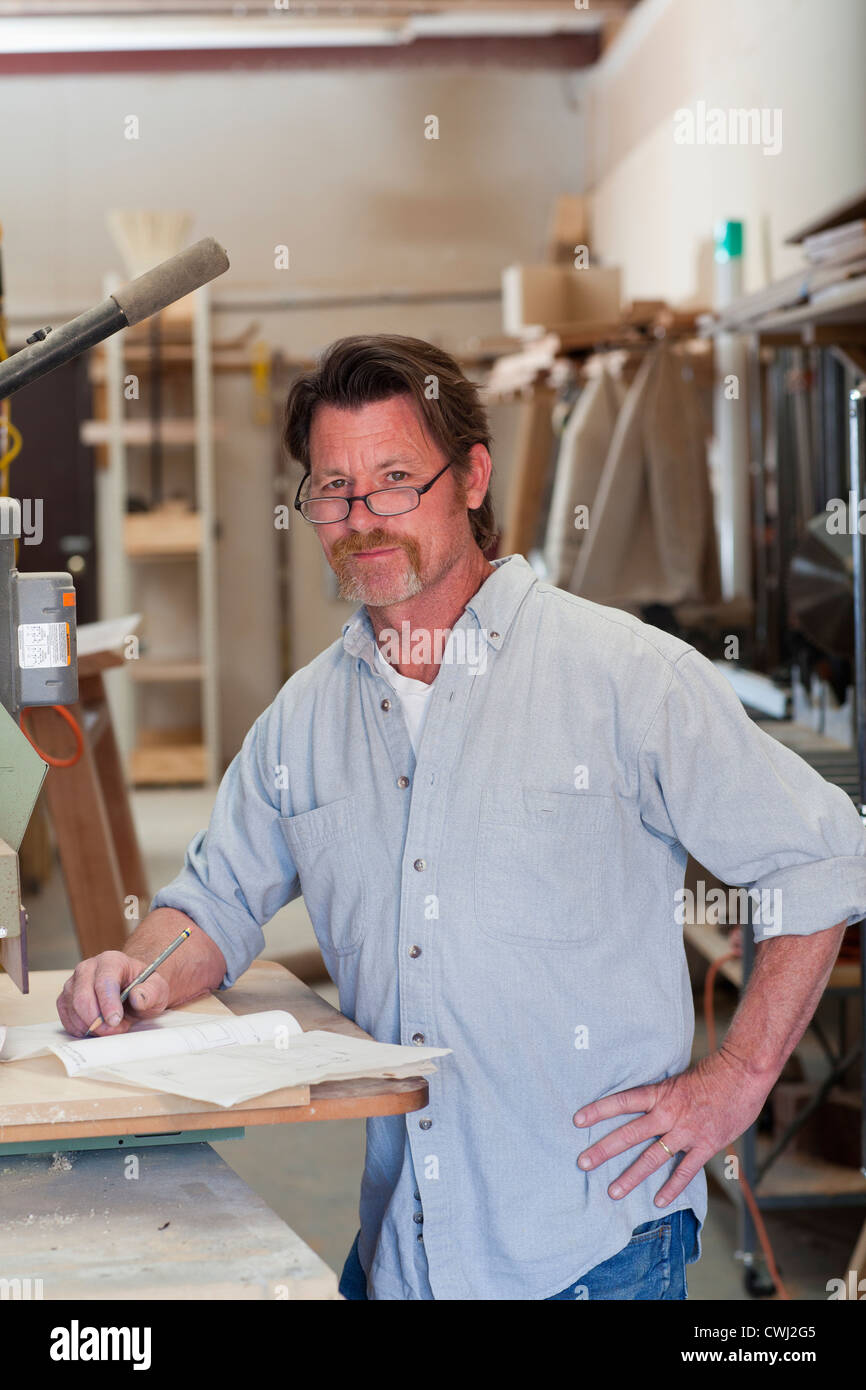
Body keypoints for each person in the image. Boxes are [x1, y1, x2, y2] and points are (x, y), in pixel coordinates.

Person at [58, 334, 866, 1300]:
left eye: (396, 479)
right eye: (334, 489)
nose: (364, 519)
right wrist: (133, 974)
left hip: (594, 1250)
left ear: (473, 476)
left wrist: (734, 1081)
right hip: (402, 1250)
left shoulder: (625, 677)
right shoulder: (304, 722)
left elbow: (821, 860)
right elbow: (212, 904)